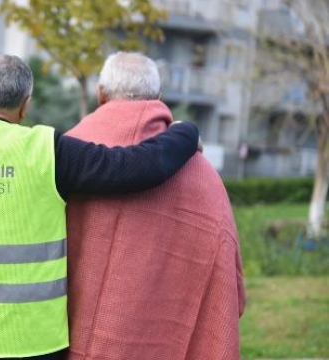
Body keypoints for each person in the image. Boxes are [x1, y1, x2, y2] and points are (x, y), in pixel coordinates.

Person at [0, 54, 200, 360]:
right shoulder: (46, 151)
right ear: (24, 104)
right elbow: (138, 167)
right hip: (29, 344)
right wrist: (185, 132)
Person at [65, 52, 246, 360]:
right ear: (159, 97)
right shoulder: (203, 175)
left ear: (100, 93)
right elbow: (229, 281)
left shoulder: (67, 152)